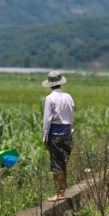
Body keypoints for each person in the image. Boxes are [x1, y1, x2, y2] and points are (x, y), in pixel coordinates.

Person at [42, 71, 74, 202]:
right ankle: (63, 191)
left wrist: (45, 137)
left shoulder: (50, 99)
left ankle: (59, 193)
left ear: (50, 84)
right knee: (63, 163)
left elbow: (47, 120)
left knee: (56, 164)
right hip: (67, 133)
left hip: (55, 134)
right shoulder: (68, 97)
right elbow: (71, 115)